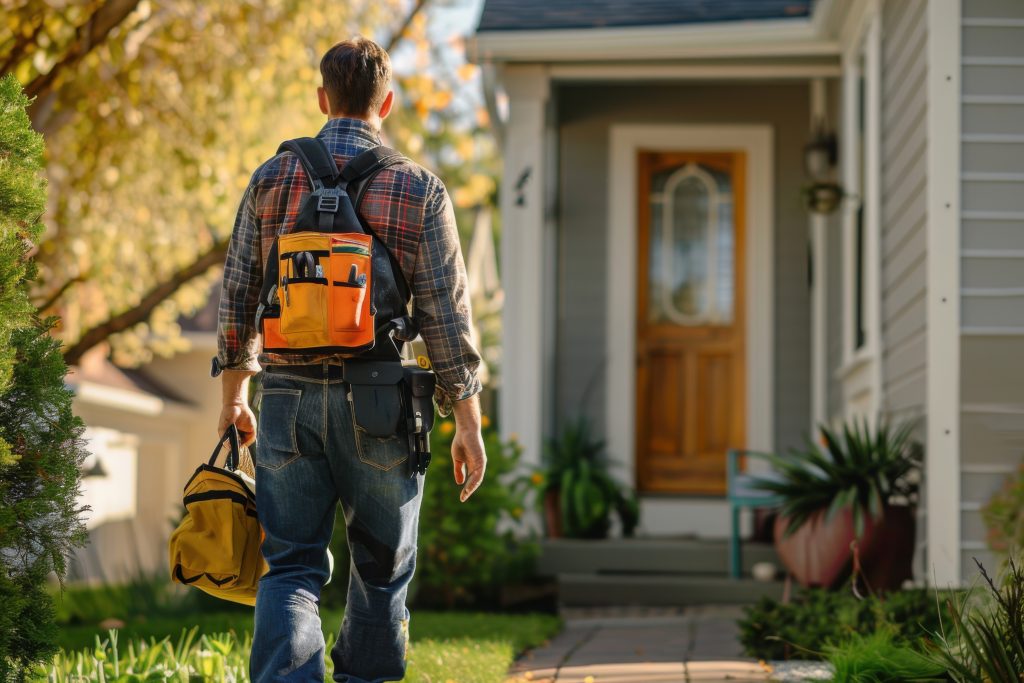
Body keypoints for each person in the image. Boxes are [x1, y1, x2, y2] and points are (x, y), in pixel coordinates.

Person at [213, 36, 487, 682]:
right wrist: (468, 421)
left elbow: (238, 294)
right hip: (382, 404)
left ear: (321, 98)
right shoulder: (419, 191)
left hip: (286, 401)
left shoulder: (271, 179)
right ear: (385, 103)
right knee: (382, 570)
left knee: (291, 565)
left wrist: (234, 396)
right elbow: (448, 318)